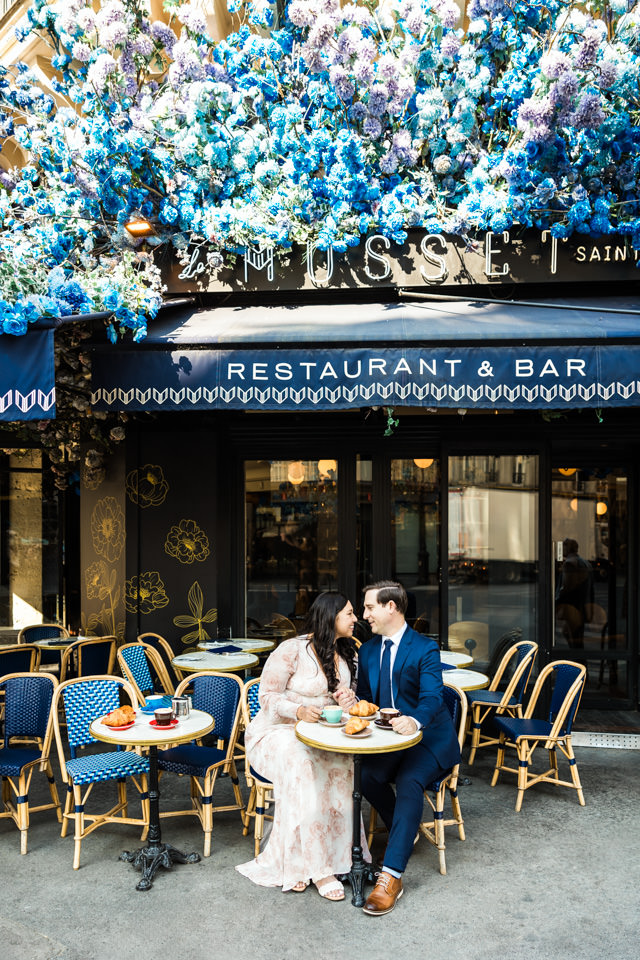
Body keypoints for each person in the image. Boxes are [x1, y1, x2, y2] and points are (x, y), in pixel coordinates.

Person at [337, 580, 459, 916]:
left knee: (409, 782)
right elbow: (369, 699)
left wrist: (414, 721)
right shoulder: (369, 650)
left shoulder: (424, 648)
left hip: (428, 738)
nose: (364, 615)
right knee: (367, 776)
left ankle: (391, 877)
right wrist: (354, 700)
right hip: (388, 739)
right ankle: (405, 830)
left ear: (392, 607)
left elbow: (433, 698)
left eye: (370, 607)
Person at [236, 591, 367, 900]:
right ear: (331, 616)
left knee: (345, 764)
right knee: (302, 763)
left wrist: (350, 699)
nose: (355, 618)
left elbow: (351, 700)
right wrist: (297, 711)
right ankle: (319, 869)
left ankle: (323, 859)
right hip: (278, 732)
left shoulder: (350, 652)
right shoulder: (291, 650)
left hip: (325, 731)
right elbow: (265, 697)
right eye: (349, 613)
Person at [556, 538, 594, 648]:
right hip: (583, 606)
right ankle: (580, 661)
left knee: (573, 638)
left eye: (563, 546)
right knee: (575, 636)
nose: (561, 550)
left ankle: (578, 662)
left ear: (568, 548)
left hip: (572, 607)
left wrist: (557, 602)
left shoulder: (569, 564)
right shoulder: (586, 563)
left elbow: (567, 587)